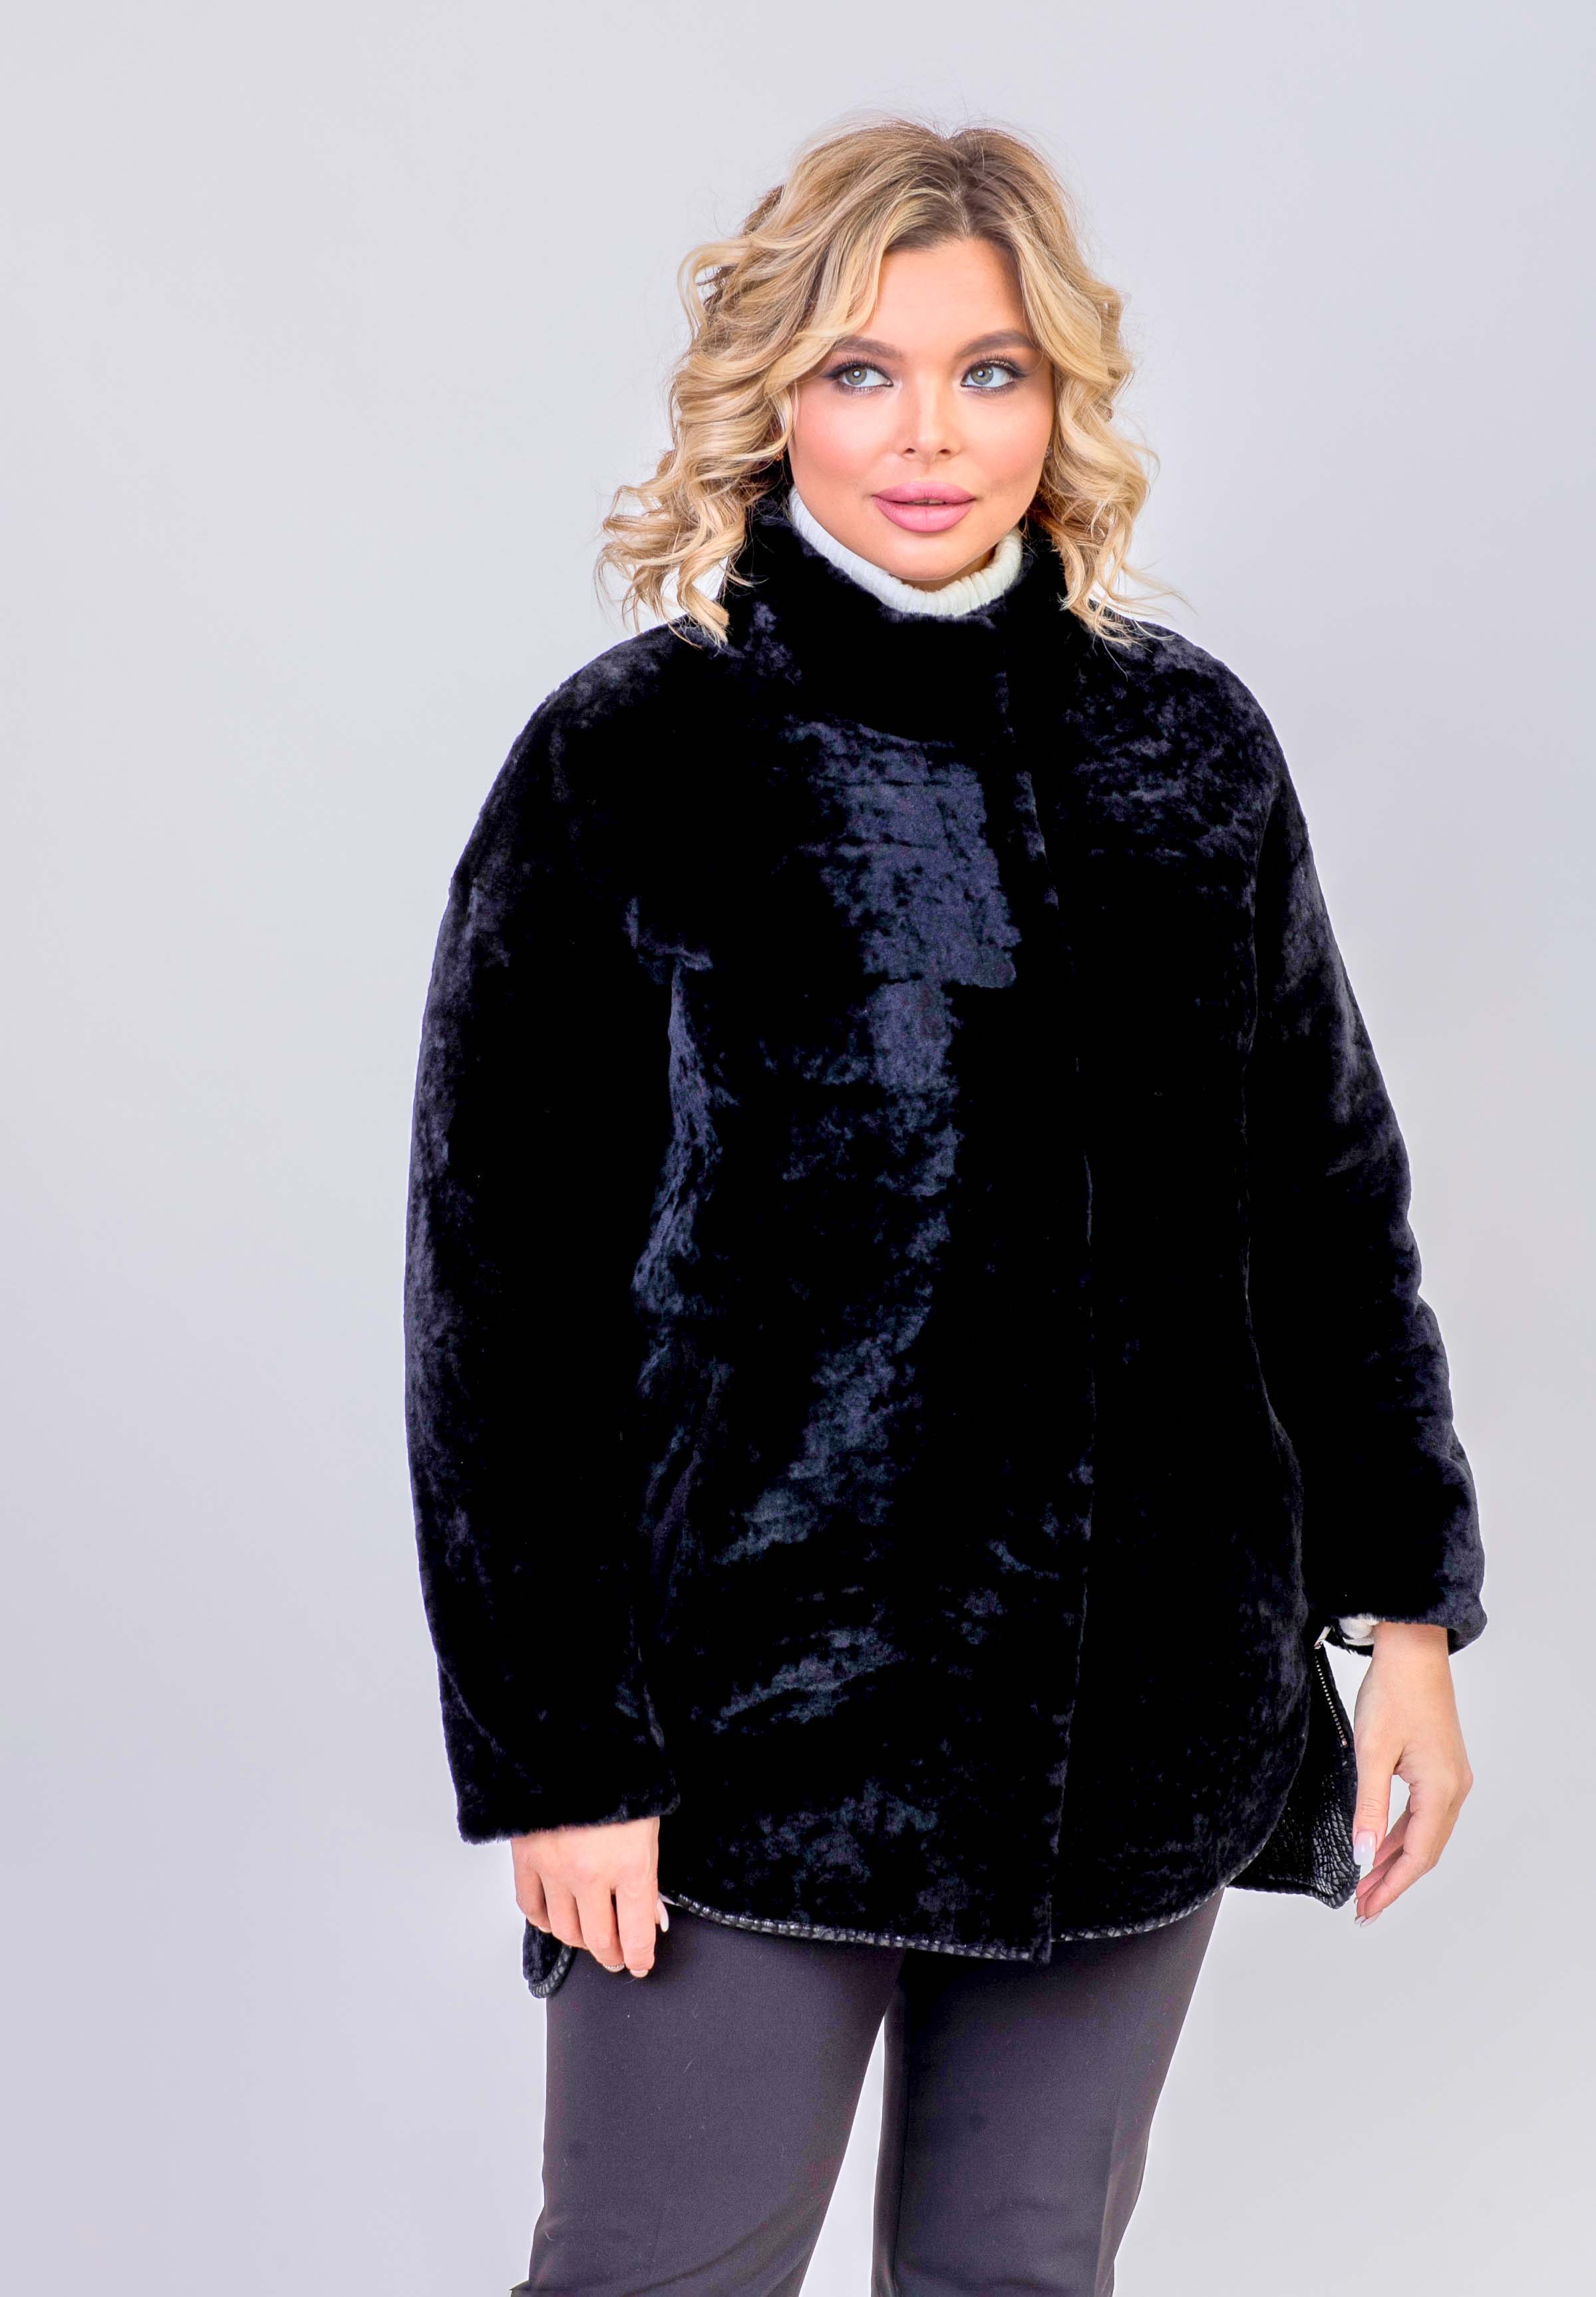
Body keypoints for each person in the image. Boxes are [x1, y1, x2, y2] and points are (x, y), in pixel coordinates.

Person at [403, 114, 1484, 2297]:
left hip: (1142, 1720)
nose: (929, 433)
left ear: (1060, 394)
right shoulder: (638, 756)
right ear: (772, 396)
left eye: (989, 371)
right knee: (654, 2273)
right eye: (861, 370)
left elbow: (1323, 1197)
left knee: (1021, 2272)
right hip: (750, 1742)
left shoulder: (1192, 749)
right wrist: (560, 1753)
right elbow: (495, 1300)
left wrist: (1407, 1619)